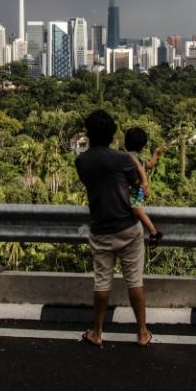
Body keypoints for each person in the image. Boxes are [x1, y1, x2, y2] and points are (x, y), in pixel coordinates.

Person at [75, 110, 154, 347]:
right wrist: (141, 171)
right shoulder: (122, 159)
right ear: (112, 134)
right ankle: (142, 332)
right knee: (134, 281)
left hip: (101, 228)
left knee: (102, 282)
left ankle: (97, 332)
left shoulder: (81, 161)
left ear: (89, 134)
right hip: (128, 227)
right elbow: (138, 184)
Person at [122, 127, 164, 244]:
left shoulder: (127, 156)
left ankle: (153, 232)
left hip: (135, 191)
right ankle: (153, 232)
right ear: (142, 145)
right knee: (136, 210)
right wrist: (156, 153)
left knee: (136, 210)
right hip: (140, 191)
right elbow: (150, 164)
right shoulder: (139, 157)